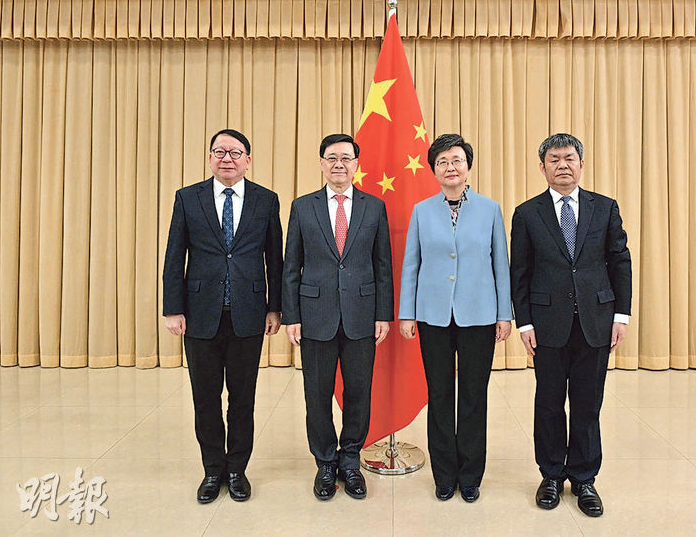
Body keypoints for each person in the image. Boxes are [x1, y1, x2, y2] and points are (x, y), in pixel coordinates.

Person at [510, 133, 631, 517]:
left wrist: (621, 315)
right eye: (554, 159)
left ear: (581, 164)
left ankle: (584, 478)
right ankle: (550, 475)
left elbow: (620, 262)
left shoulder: (605, 208)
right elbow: (520, 272)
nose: (562, 165)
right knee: (548, 403)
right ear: (542, 167)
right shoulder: (527, 213)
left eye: (569, 158)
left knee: (587, 404)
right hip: (547, 325)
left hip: (596, 322)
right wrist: (524, 323)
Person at [162, 129, 283, 504]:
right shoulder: (188, 198)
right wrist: (173, 308)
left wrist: (275, 307)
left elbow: (274, 258)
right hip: (200, 315)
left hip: (249, 314)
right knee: (206, 398)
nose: (227, 158)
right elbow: (174, 255)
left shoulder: (266, 200)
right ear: (210, 157)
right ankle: (213, 469)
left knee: (243, 399)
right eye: (219, 151)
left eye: (235, 152)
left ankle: (237, 470)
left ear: (248, 160)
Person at [399, 134, 512, 503]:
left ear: (468, 167)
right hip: (433, 315)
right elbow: (411, 264)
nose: (450, 167)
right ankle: (444, 474)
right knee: (440, 394)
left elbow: (500, 265)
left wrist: (504, 313)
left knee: (474, 396)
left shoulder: (490, 209)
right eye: (442, 161)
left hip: (479, 314)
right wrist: (407, 313)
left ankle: (471, 475)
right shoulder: (422, 211)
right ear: (434, 170)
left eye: (456, 160)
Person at [282, 133, 394, 501]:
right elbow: (291, 265)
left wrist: (383, 314)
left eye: (346, 158)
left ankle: (350, 460)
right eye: (332, 157)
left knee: (359, 392)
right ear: (321, 163)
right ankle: (325, 462)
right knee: (317, 393)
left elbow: (382, 264)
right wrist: (291, 316)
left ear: (356, 165)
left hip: (362, 314)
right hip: (315, 315)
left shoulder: (374, 207)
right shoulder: (303, 207)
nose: (339, 164)